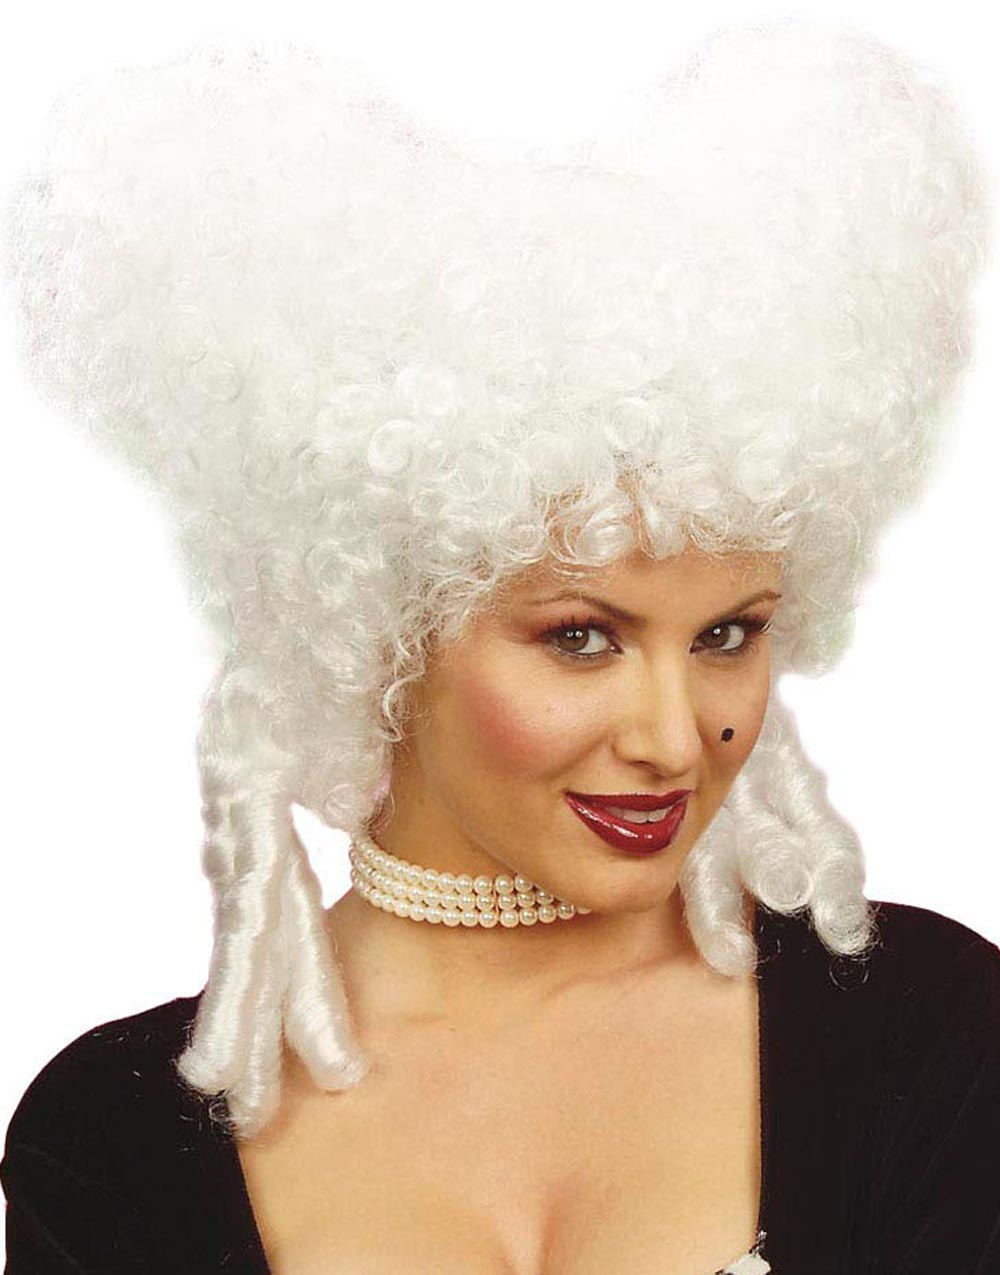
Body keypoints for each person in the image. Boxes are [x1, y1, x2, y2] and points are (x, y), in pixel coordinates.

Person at [2, 18, 999, 1275]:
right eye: (581, 637)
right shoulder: (111, 1137)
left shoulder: (927, 1034)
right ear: (380, 627)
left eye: (726, 634)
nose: (674, 736)